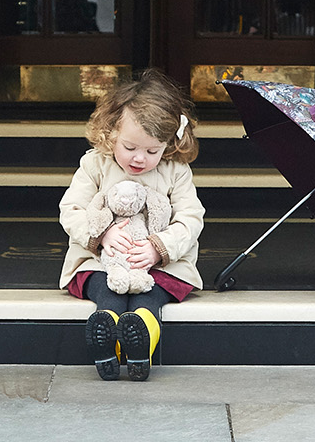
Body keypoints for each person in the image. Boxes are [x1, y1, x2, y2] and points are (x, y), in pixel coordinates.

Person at [58, 69, 205, 381]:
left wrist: (158, 248)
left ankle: (141, 340)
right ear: (111, 132)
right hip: (102, 260)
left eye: (153, 151)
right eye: (130, 148)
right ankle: (106, 336)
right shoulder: (95, 163)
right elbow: (70, 209)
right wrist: (100, 234)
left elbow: (191, 217)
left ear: (169, 143)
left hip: (158, 264)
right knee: (107, 286)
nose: (140, 159)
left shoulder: (175, 171)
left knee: (148, 294)